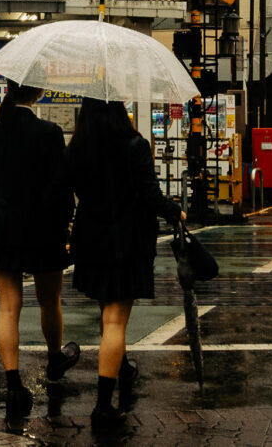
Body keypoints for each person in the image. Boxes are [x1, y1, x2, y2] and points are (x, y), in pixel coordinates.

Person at [65, 98, 185, 430]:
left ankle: (123, 367)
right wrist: (175, 210)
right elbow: (150, 194)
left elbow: (69, 188)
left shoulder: (78, 148)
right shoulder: (135, 145)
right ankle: (103, 407)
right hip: (127, 241)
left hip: (90, 239)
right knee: (116, 320)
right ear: (119, 111)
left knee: (108, 313)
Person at [0, 80, 79, 422]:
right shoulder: (50, 132)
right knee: (50, 300)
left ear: (9, 87)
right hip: (43, 226)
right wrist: (67, 221)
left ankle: (13, 385)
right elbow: (59, 181)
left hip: (2, 223)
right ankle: (54, 359)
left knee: (8, 306)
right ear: (39, 93)